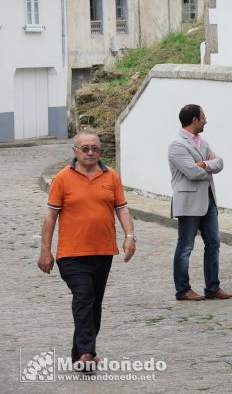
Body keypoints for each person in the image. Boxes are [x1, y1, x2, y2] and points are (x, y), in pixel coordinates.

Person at [37, 130, 136, 369]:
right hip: (71, 253)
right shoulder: (62, 178)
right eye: (85, 148)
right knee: (84, 297)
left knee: (94, 302)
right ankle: (86, 354)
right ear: (75, 151)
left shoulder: (110, 175)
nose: (91, 152)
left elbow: (121, 208)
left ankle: (79, 350)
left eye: (95, 148)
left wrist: (129, 236)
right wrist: (45, 251)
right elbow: (50, 217)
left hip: (102, 251)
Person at [169, 104, 232, 301]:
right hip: (189, 201)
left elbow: (220, 163)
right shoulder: (177, 144)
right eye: (203, 118)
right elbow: (192, 172)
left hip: (208, 199)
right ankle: (183, 289)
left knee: (213, 244)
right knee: (186, 246)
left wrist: (205, 164)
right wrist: (207, 167)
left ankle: (212, 287)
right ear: (194, 120)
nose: (206, 121)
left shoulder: (202, 142)